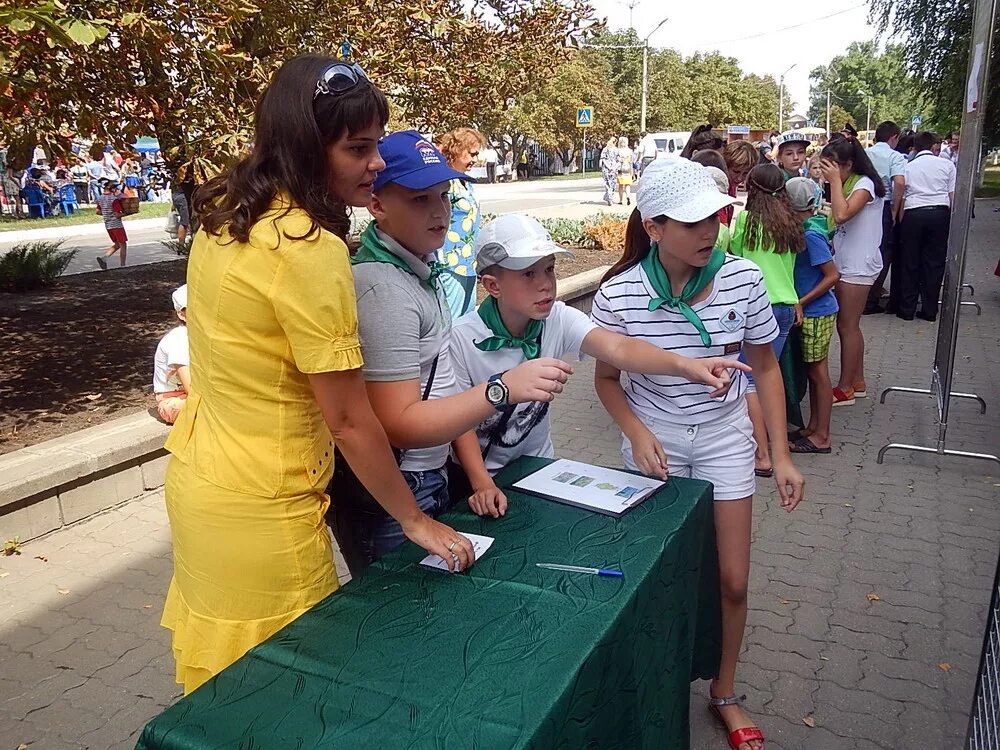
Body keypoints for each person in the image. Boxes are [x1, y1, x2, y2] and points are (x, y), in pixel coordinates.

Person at [162, 54, 477, 695]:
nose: (377, 163)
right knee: (279, 700)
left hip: (202, 483)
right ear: (308, 146)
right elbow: (350, 418)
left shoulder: (226, 210)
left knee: (222, 705)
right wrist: (416, 520)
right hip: (264, 509)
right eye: (358, 148)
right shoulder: (307, 249)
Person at [591, 158, 804, 750]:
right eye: (691, 222)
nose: (709, 231)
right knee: (656, 578)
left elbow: (764, 366)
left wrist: (780, 455)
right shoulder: (619, 294)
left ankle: (724, 690)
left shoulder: (742, 279)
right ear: (654, 228)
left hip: (723, 437)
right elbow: (607, 380)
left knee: (732, 579)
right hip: (654, 439)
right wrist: (635, 432)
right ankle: (656, 683)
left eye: (714, 216)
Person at [338, 130, 571, 568]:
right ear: (377, 205)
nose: (439, 211)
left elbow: (442, 388)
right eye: (419, 199)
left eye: (443, 197)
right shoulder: (383, 288)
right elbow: (399, 425)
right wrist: (500, 390)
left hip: (429, 474)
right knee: (399, 618)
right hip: (401, 487)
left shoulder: (415, 271)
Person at [449, 213, 748, 495]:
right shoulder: (461, 338)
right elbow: (457, 422)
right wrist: (482, 483)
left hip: (537, 469)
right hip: (475, 481)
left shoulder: (558, 318)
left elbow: (618, 347)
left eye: (549, 269)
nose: (545, 284)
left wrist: (686, 366)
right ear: (492, 286)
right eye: (528, 274)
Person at [730, 163, 805, 478]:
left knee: (748, 380)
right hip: (786, 308)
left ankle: (761, 454)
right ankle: (775, 447)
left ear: (752, 188)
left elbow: (734, 260)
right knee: (767, 377)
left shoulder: (746, 222)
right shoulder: (791, 224)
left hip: (756, 307)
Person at [818, 137, 886, 407]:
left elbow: (843, 214)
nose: (826, 172)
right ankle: (857, 381)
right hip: (847, 262)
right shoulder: (850, 182)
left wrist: (834, 181)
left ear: (846, 165)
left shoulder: (864, 184)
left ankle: (846, 387)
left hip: (858, 265)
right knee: (849, 326)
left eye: (831, 167)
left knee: (847, 327)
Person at [785, 178, 840, 454]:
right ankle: (813, 426)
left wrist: (801, 302)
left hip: (817, 312)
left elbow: (832, 276)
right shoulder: (804, 230)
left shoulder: (811, 235)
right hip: (809, 310)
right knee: (812, 370)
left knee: (819, 374)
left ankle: (823, 436)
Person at [897, 131, 956, 321]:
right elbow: (952, 195)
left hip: (914, 213)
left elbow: (904, 196)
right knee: (935, 262)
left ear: (915, 147)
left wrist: (899, 218)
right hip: (939, 213)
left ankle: (907, 309)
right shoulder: (947, 165)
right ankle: (930, 310)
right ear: (933, 147)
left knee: (910, 261)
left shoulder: (908, 167)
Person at [437, 127, 485, 319]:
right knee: (452, 321)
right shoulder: (446, 184)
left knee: (467, 320)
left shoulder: (465, 181)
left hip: (468, 265)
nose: (475, 159)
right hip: (450, 264)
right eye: (472, 154)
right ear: (457, 150)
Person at [864, 121, 907, 314]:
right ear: (894, 137)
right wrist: (895, 209)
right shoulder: (895, 156)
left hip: (863, 202)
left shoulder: (866, 153)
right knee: (883, 251)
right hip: (884, 205)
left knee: (865, 247)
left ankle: (860, 294)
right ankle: (872, 299)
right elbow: (899, 182)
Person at [153, 285, 191, 424]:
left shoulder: (203, 336)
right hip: (173, 400)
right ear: (181, 314)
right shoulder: (179, 339)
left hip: (196, 396)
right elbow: (191, 388)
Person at [95, 180, 128, 269]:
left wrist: (107, 213)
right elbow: (117, 214)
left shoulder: (100, 198)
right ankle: (123, 265)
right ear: (112, 189)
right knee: (123, 245)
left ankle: (104, 258)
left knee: (117, 244)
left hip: (108, 225)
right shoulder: (114, 199)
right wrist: (126, 213)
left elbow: (98, 211)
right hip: (117, 225)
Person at [599, 137, 619, 206]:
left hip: (610, 168)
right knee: (610, 184)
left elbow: (619, 160)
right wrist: (612, 167)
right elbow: (603, 159)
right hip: (609, 168)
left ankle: (609, 197)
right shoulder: (606, 149)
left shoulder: (616, 150)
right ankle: (610, 198)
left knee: (610, 184)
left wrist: (613, 167)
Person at [615, 136, 634, 206]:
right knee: (628, 185)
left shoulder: (618, 151)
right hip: (628, 168)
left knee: (620, 185)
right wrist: (632, 171)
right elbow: (631, 162)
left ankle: (620, 200)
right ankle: (628, 196)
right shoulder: (630, 151)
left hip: (621, 169)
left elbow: (616, 160)